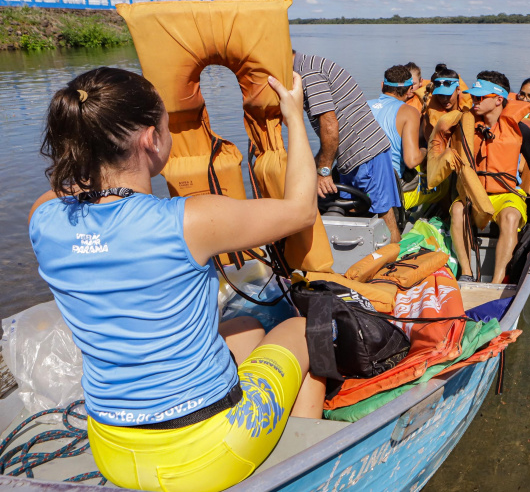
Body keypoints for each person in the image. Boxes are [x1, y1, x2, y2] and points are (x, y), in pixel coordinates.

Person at [28, 67, 325, 491]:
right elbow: (300, 210)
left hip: (113, 450)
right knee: (300, 330)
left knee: (244, 328)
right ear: (151, 139)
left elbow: (78, 198)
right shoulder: (189, 220)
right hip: (205, 452)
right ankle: (297, 473)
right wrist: (294, 115)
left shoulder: (43, 216)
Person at [450, 70, 530, 285]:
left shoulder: (519, 129)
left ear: (498, 99)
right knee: (456, 209)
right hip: (475, 193)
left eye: (480, 97)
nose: (474, 101)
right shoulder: (466, 127)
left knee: (511, 216)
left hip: (505, 194)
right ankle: (466, 272)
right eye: (473, 96)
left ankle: (497, 281)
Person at [294, 52, 403, 242]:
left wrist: (324, 170)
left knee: (384, 217)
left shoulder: (308, 73)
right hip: (348, 156)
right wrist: (316, 164)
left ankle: (394, 262)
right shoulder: (306, 67)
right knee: (351, 213)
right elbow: (330, 134)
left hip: (367, 153)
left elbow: (330, 125)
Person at [371, 65, 449, 211]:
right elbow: (411, 161)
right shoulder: (409, 112)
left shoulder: (364, 107)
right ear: (409, 90)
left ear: (382, 86)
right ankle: (437, 223)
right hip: (391, 192)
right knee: (444, 185)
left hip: (363, 185)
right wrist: (425, 151)